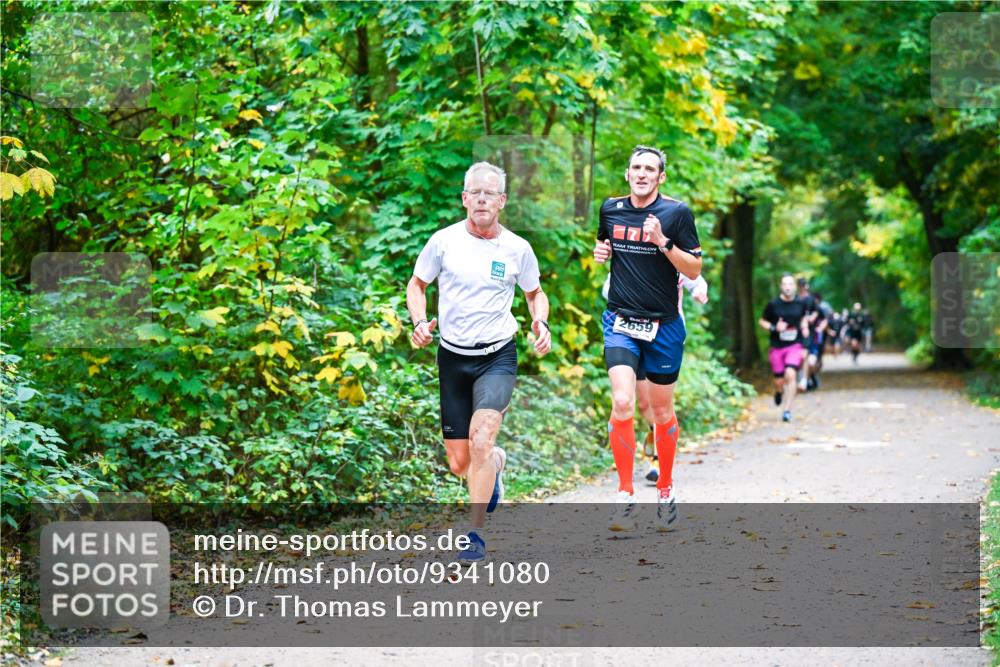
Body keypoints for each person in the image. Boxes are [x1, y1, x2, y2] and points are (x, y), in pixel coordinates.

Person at [407, 161, 551, 562]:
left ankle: (475, 535)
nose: (483, 199)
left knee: (482, 439)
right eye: (476, 192)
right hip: (453, 357)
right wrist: (419, 322)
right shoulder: (443, 242)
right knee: (459, 463)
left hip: (497, 356)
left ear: (502, 201)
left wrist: (540, 321)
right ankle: (496, 465)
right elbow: (417, 285)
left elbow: (535, 293)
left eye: (491, 193)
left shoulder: (517, 249)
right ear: (464, 198)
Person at [593, 144, 702, 533]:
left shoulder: (676, 214)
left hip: (664, 327)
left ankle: (666, 488)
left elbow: (693, 267)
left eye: (649, 169)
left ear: (661, 177)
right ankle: (624, 495)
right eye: (635, 167)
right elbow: (605, 245)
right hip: (621, 319)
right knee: (622, 401)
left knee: (660, 413)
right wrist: (601, 251)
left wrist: (663, 242)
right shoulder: (610, 209)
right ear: (627, 174)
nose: (641, 173)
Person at [601, 272, 709, 485]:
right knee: (642, 404)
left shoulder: (672, 254)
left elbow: (696, 279)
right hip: (630, 333)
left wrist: (699, 291)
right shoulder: (633, 253)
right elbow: (607, 289)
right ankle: (653, 435)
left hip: (664, 334)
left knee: (660, 406)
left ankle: (658, 460)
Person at [759, 273, 810, 422]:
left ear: (794, 287)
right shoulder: (773, 304)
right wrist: (775, 327)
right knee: (779, 381)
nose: (788, 287)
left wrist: (805, 330)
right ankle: (778, 391)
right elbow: (762, 321)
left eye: (790, 284)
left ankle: (787, 410)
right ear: (781, 287)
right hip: (777, 346)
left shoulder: (801, 303)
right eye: (785, 284)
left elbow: (803, 320)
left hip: (794, 345)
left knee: (791, 374)